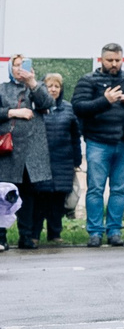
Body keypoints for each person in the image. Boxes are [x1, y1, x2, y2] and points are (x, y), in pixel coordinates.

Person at [71, 43, 124, 246]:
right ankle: (95, 232)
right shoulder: (89, 80)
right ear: (101, 60)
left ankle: (114, 231)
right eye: (110, 60)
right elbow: (78, 107)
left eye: (118, 60)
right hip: (98, 142)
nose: (114, 64)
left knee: (119, 189)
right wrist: (105, 100)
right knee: (95, 188)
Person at [20, 71, 80, 247]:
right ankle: (34, 234)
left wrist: (77, 160)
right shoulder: (35, 107)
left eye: (57, 86)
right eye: (49, 86)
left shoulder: (68, 108)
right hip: (40, 161)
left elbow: (75, 136)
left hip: (63, 161)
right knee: (39, 201)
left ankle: (55, 234)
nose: (53, 89)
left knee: (58, 201)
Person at [0, 59, 49, 244]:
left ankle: (26, 236)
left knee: (28, 195)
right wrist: (12, 112)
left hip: (30, 152)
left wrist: (33, 83)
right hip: (8, 151)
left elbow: (47, 103)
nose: (20, 69)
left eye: (24, 64)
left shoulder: (36, 87)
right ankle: (1, 238)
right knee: (3, 195)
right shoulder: (2, 88)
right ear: (10, 68)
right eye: (16, 65)